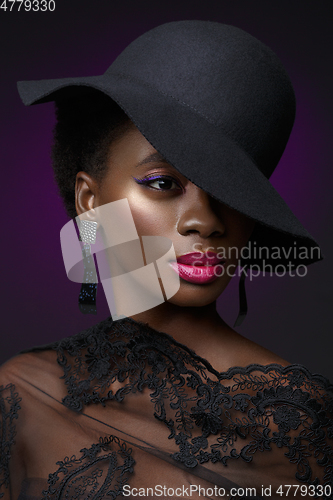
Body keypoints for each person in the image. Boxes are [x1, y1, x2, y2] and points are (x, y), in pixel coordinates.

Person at [1, 20, 332, 499]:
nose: (205, 221)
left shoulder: (299, 422)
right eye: (163, 183)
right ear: (90, 201)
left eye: (231, 192)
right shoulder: (20, 394)